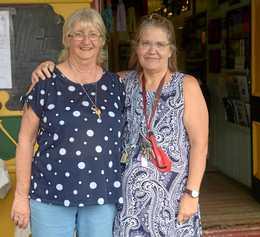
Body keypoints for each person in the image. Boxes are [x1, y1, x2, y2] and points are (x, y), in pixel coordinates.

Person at [32, 13, 208, 237]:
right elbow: (82, 77)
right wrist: (48, 69)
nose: (152, 50)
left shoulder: (187, 86)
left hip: (172, 200)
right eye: (145, 43)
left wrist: (192, 194)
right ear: (137, 48)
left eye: (160, 44)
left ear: (170, 50)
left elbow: (199, 144)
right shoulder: (121, 82)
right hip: (128, 204)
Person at [11, 8, 125, 237]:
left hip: (101, 195)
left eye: (93, 34)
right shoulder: (45, 82)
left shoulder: (116, 85)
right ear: (66, 39)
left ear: (102, 40)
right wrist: (21, 196)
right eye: (78, 33)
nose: (86, 40)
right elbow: (25, 140)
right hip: (51, 193)